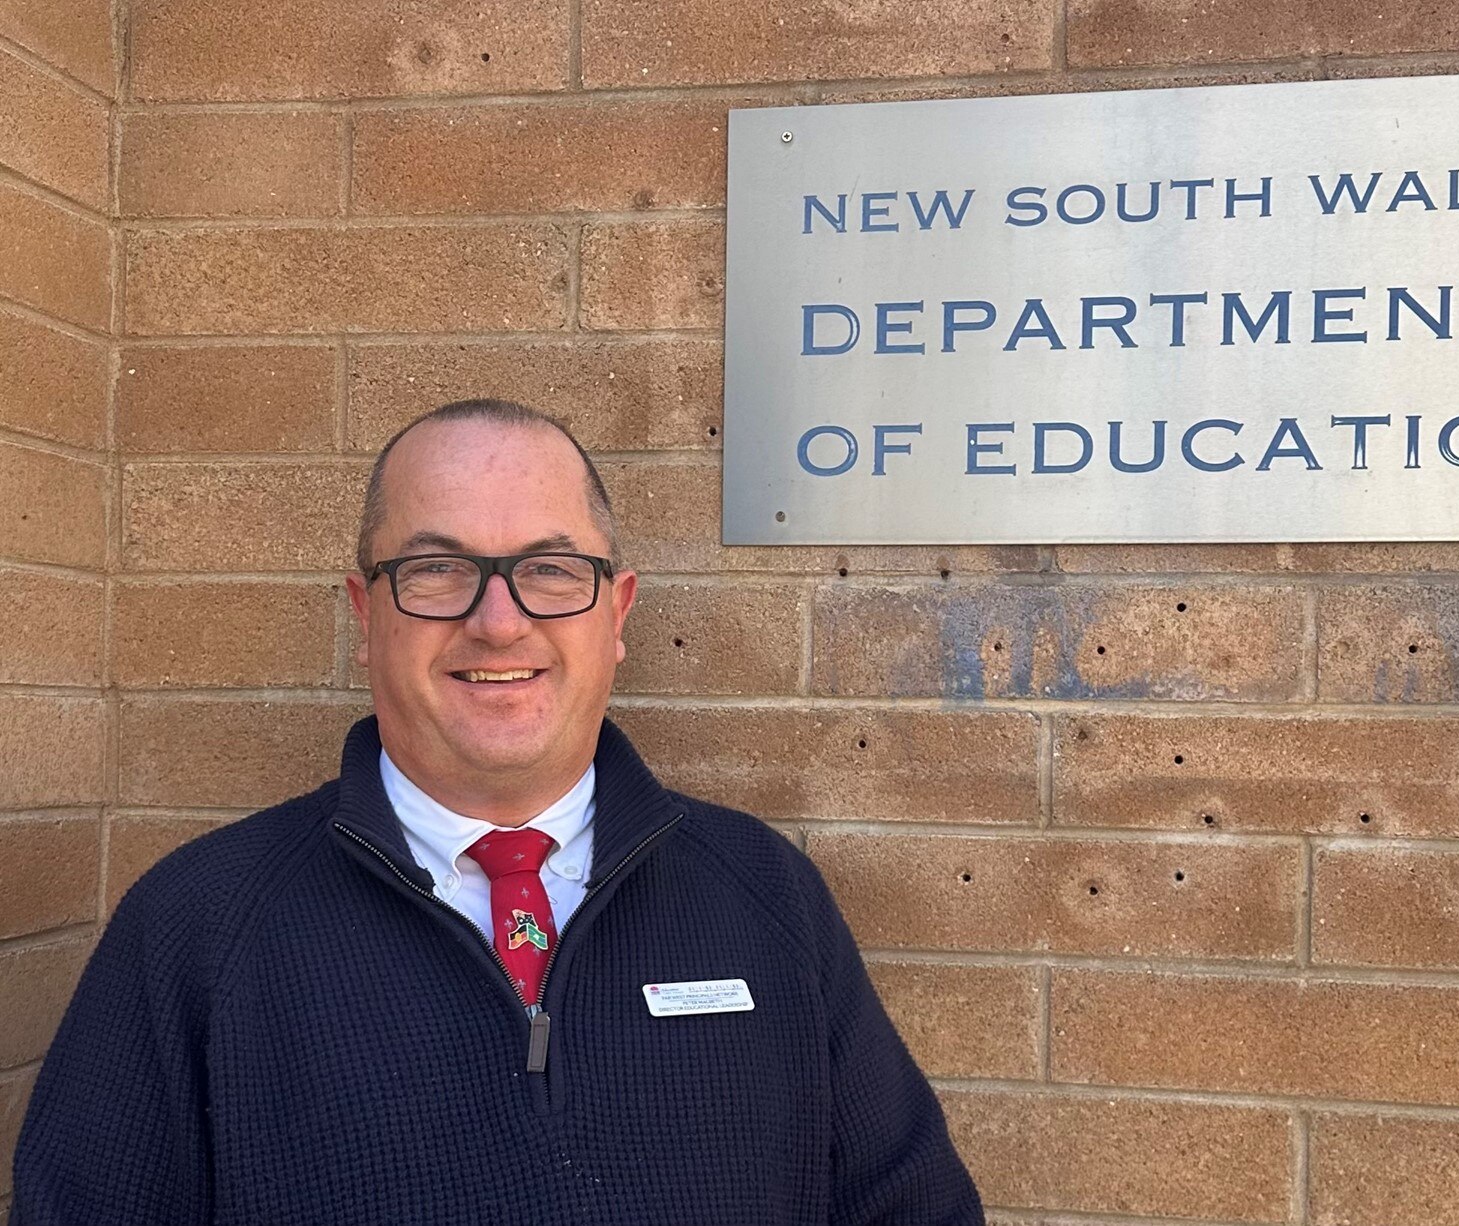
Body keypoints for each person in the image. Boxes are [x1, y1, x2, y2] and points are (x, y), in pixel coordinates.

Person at [11, 398, 983, 1225]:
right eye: (435, 569)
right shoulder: (195, 927)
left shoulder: (764, 895)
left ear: (617, 613)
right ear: (364, 612)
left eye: (552, 569)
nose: (499, 618)